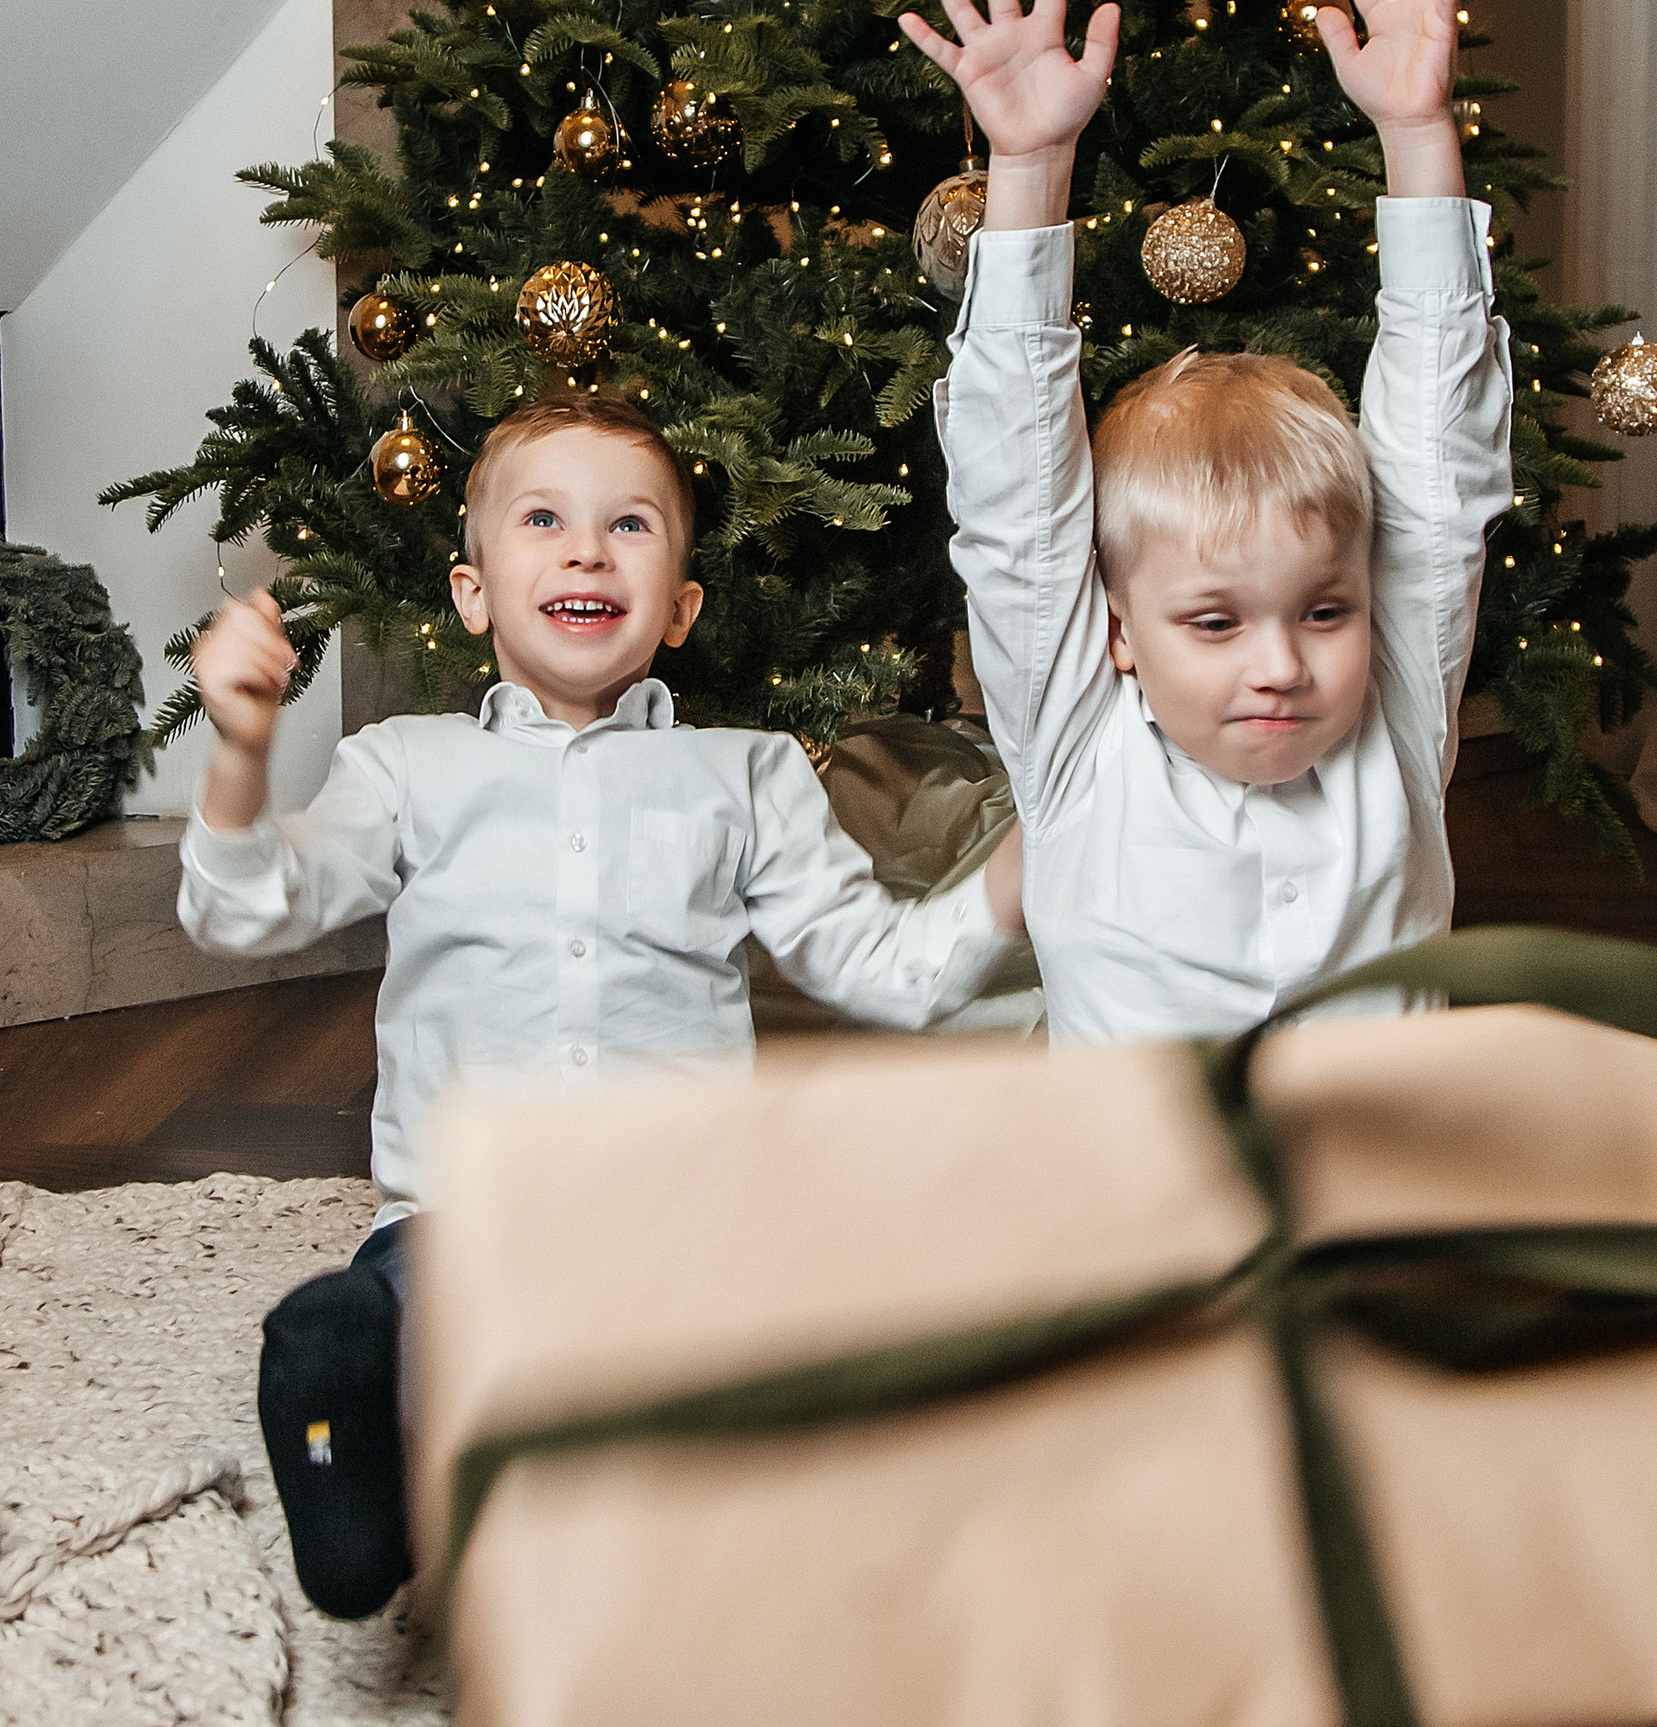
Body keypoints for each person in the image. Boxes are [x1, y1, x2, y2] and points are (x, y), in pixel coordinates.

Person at [179, 389, 1025, 1617]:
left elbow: (879, 969)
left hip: (686, 1217)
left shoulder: (747, 775)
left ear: (680, 606)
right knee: (441, 1342)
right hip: (463, 1218)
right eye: (542, 519)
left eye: (629, 525)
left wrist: (1010, 884)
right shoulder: (404, 766)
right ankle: (363, 1482)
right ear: (473, 592)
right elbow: (245, 911)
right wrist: (243, 748)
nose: (585, 549)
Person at [900, 0, 1512, 1049]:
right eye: (1215, 622)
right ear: (1119, 629)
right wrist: (1029, 166)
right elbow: (1014, 512)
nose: (1280, 665)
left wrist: (1418, 133)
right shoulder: (1077, 745)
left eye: (1324, 611)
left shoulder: (1397, 721)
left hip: (1363, 1210)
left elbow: (1441, 477)